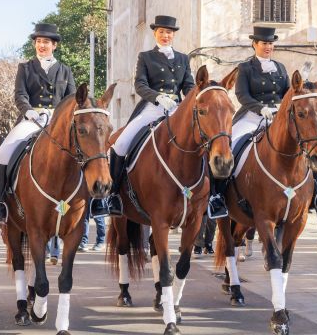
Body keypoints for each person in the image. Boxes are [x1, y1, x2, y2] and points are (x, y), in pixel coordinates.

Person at [104, 15, 196, 218]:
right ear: (155, 33)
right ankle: (113, 196)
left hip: (177, 109)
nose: (165, 35)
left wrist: (190, 99)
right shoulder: (146, 57)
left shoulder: (183, 58)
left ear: (173, 35)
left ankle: (210, 196)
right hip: (153, 108)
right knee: (120, 145)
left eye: (169, 32)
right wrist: (158, 97)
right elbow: (140, 85)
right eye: (162, 32)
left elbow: (188, 85)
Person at [0, 23, 77, 223]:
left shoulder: (65, 70)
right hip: (32, 118)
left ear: (54, 45)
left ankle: (91, 201)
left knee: (81, 149)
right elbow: (20, 94)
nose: (42, 45)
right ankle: (0, 201)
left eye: (46, 42)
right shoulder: (26, 68)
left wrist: (60, 115)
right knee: (3, 153)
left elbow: (72, 98)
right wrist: (29, 111)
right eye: (38, 42)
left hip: (57, 120)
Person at [209, 26, 291, 219]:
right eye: (264, 43)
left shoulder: (281, 67)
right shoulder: (245, 68)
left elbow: (288, 93)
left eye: (270, 43)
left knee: (302, 144)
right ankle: (218, 195)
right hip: (251, 117)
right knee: (232, 147)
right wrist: (260, 108)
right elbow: (242, 95)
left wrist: (282, 108)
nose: (268, 46)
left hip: (277, 117)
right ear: (255, 44)